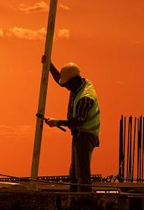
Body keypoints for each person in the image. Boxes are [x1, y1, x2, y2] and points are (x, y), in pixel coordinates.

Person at [42, 56, 101, 192]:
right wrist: (49, 65)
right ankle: (74, 197)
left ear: (74, 80)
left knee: (82, 173)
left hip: (86, 135)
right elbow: (61, 81)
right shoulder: (78, 84)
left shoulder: (85, 97)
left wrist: (58, 122)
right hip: (79, 134)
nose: (65, 86)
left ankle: (84, 203)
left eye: (67, 83)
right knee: (74, 173)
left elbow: (79, 120)